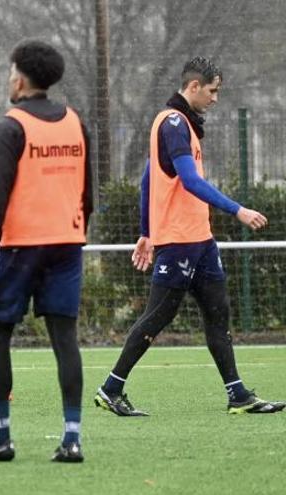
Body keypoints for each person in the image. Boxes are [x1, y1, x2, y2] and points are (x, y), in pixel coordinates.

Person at [94, 57, 285, 417]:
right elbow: (189, 181)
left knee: (218, 313)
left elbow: (149, 179)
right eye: (212, 91)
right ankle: (110, 389)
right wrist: (237, 210)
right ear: (193, 86)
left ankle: (238, 395)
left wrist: (145, 232)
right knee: (157, 316)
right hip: (180, 241)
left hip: (200, 240)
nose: (215, 98)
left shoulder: (185, 125)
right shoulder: (172, 123)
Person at [0, 40, 93, 463]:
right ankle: (72, 439)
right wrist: (75, 230)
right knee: (64, 338)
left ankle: (1, 438)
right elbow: (88, 192)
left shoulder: (10, 126)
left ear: (19, 78)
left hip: (22, 246)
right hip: (68, 244)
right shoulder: (76, 122)